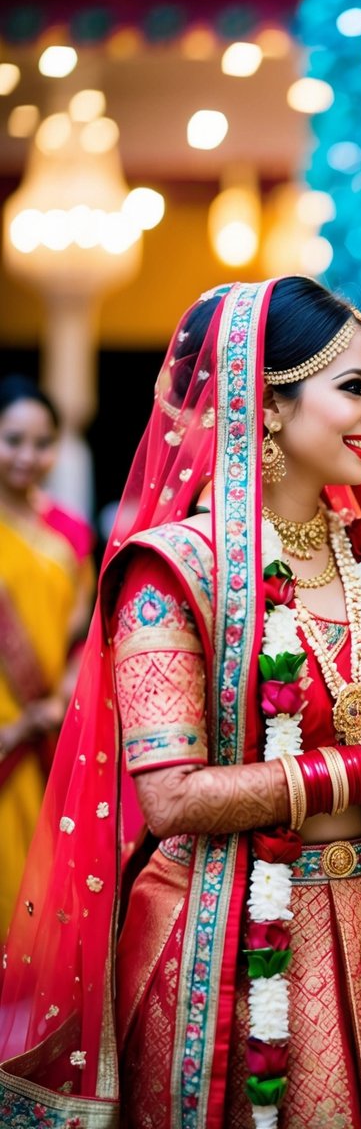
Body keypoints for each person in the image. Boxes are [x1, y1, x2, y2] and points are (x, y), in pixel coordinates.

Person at [0, 277, 361, 1128]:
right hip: (224, 941)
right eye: (352, 390)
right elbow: (173, 795)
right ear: (265, 404)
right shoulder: (174, 570)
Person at [0, 374, 95, 937]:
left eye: (42, 443)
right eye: (13, 440)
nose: (27, 457)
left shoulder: (68, 533)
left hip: (45, 737)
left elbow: (81, 637)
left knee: (34, 908)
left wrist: (56, 700)